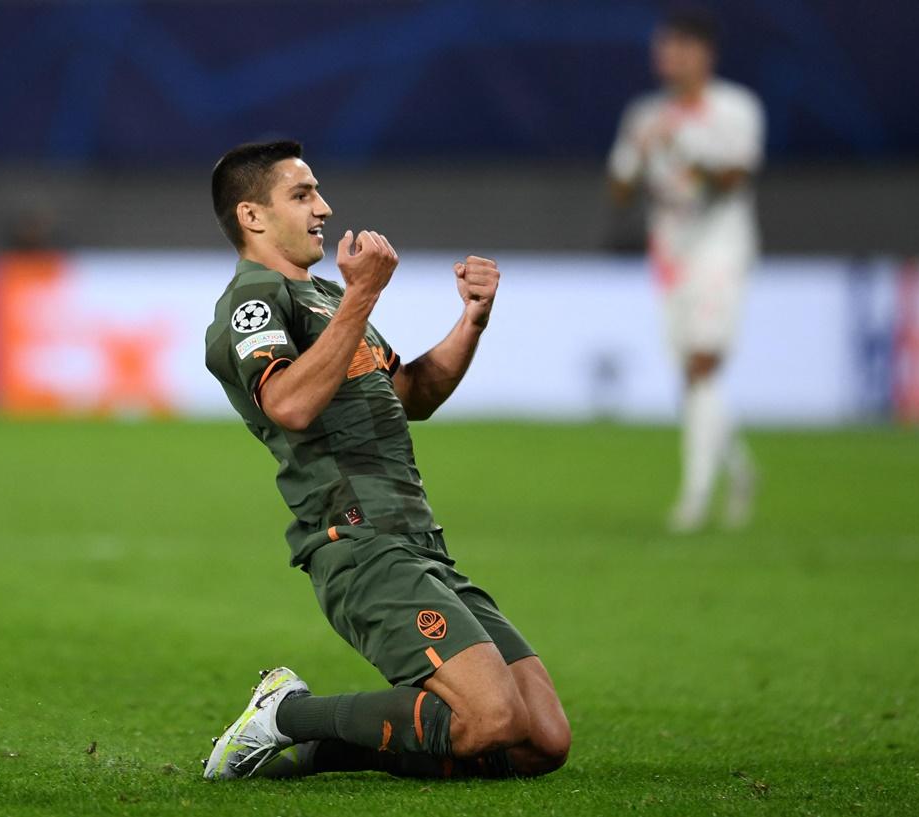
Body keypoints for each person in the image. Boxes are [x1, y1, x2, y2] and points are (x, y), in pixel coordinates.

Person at [201, 141, 570, 780]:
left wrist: (471, 322)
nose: (324, 207)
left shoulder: (326, 299)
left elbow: (414, 394)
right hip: (357, 541)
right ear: (252, 216)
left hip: (419, 541)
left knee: (540, 742)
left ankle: (312, 756)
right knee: (492, 721)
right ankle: (286, 715)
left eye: (317, 192)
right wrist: (361, 297)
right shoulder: (254, 301)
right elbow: (287, 403)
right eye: (302, 194)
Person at [608, 7, 764, 532]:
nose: (666, 57)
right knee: (690, 374)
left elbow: (733, 179)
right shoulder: (644, 114)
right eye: (662, 47)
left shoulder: (734, 109)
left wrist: (686, 147)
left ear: (703, 53)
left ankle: (695, 499)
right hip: (670, 252)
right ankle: (740, 470)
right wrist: (637, 155)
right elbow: (620, 191)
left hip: (720, 247)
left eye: (677, 47)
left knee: (702, 364)